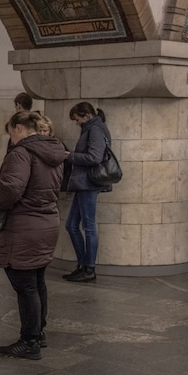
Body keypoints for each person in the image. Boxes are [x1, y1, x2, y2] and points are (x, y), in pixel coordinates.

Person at [0, 111, 65, 360]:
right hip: (46, 222)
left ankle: (30, 341)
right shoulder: (54, 152)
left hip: (25, 226)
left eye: (10, 131)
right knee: (36, 282)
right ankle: (38, 333)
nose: (11, 137)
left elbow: (8, 191)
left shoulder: (21, 153)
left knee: (26, 285)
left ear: (18, 128)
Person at [62, 102, 111, 283]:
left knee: (89, 227)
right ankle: (83, 265)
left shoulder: (96, 129)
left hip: (88, 184)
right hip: (83, 184)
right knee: (71, 225)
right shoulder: (91, 128)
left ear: (86, 116)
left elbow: (94, 157)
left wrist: (70, 156)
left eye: (77, 119)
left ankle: (89, 268)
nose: (76, 123)